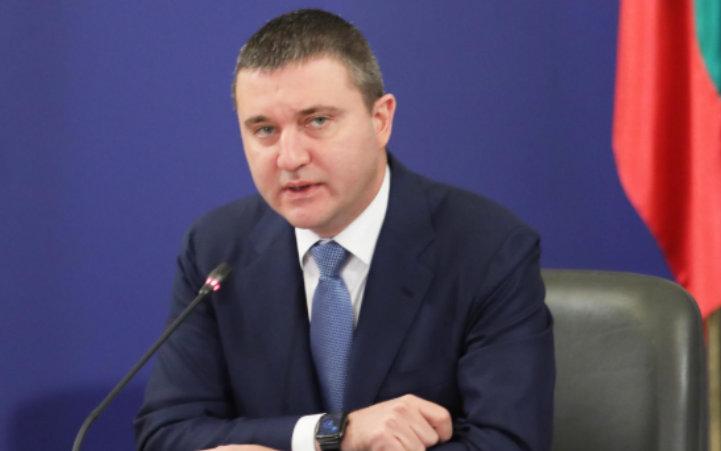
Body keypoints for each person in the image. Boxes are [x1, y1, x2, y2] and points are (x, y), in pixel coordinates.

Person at [134, 8, 554, 451]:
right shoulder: (216, 248)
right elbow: (166, 433)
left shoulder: (488, 249)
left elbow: (510, 443)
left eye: (317, 121)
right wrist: (330, 434)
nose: (289, 157)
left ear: (381, 120)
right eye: (265, 129)